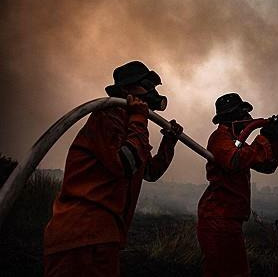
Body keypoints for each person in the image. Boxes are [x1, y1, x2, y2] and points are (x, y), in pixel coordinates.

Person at [43, 61, 183, 277]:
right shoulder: (108, 116)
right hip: (82, 236)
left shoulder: (130, 123)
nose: (153, 93)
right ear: (127, 89)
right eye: (147, 85)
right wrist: (139, 120)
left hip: (104, 236)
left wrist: (169, 143)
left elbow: (148, 172)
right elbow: (124, 164)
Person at [197, 93, 278, 277]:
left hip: (229, 221)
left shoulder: (238, 143)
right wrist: (263, 139)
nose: (248, 118)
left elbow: (267, 166)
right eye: (244, 114)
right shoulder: (221, 138)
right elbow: (235, 160)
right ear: (232, 117)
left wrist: (275, 139)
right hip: (217, 220)